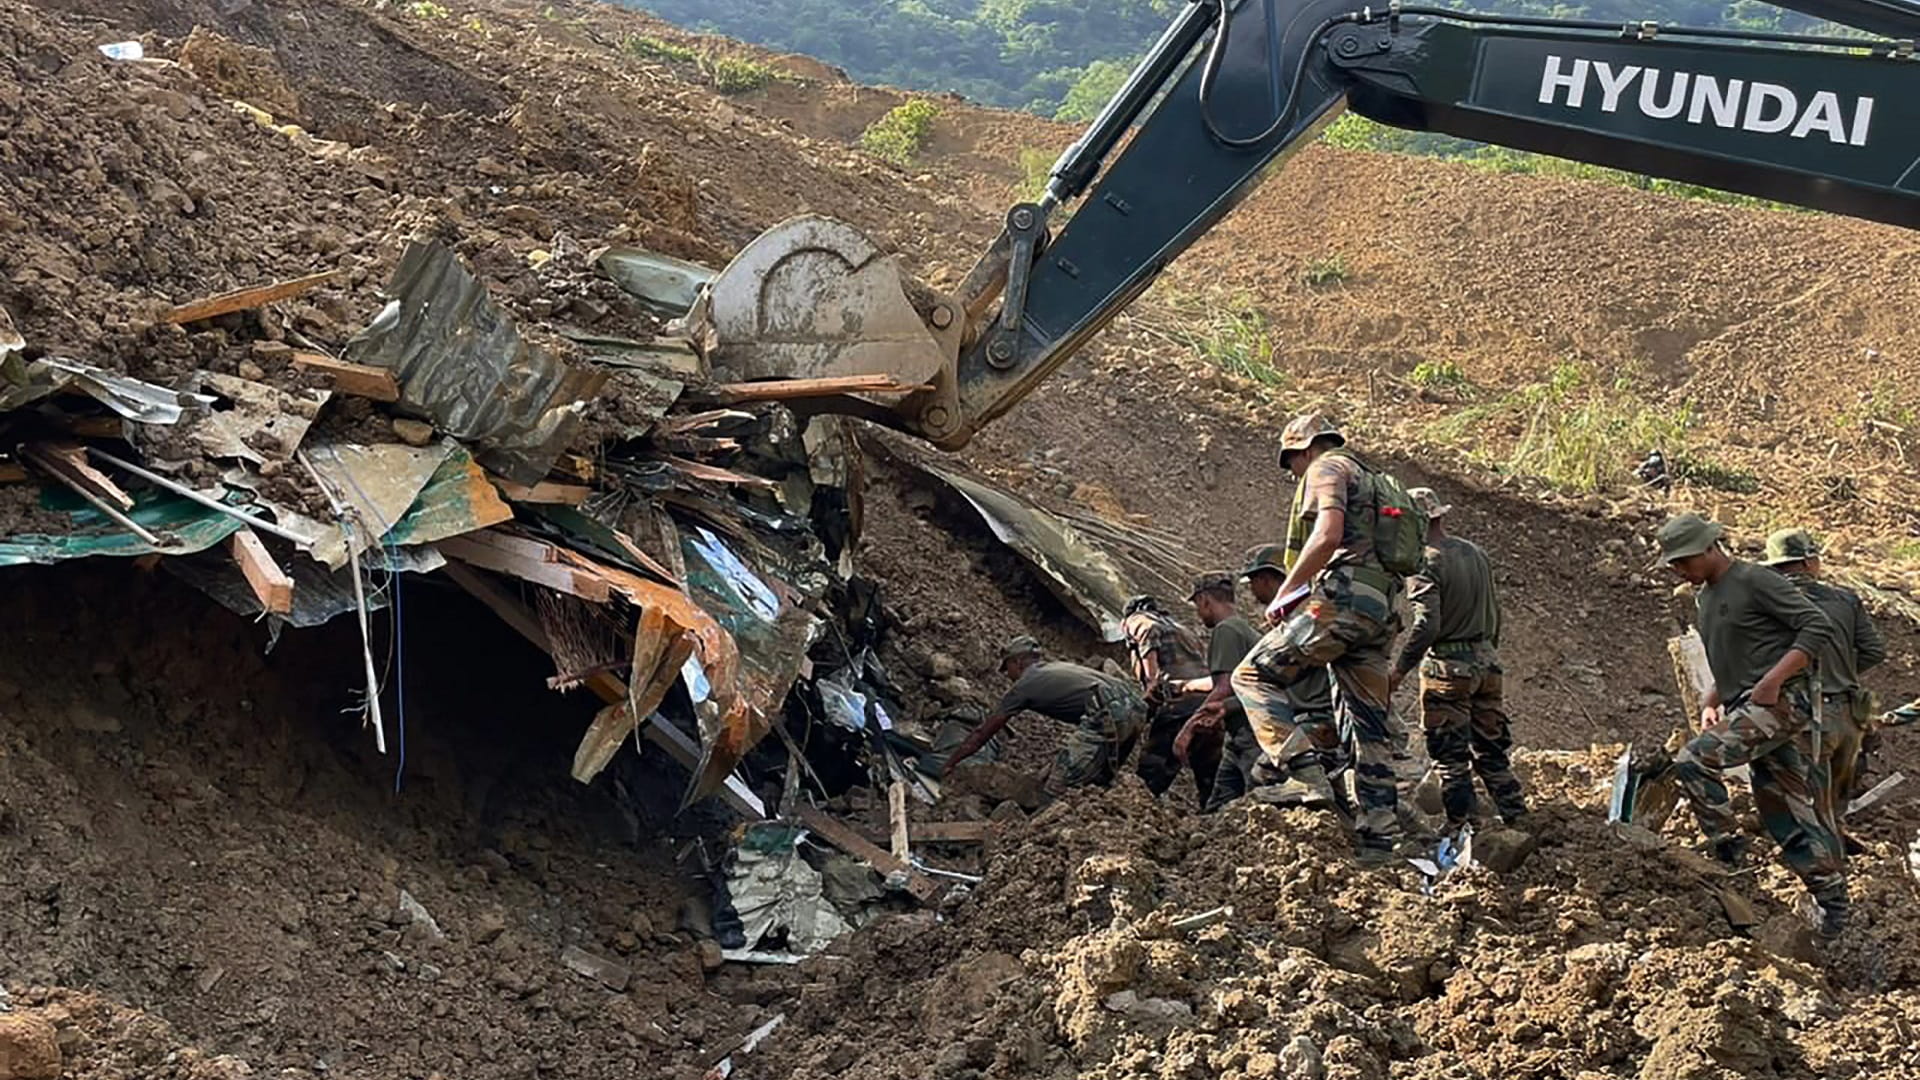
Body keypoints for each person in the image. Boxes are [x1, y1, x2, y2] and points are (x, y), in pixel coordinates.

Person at [1659, 513, 1849, 939]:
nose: (1679, 571)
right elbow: (1734, 654)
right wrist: (1715, 696)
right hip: (1749, 704)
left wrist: (1775, 679)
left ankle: (1729, 853)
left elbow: (1816, 626)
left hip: (1783, 703)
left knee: (1694, 759)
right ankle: (1834, 902)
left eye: (1684, 561)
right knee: (1786, 808)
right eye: (1673, 564)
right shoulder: (1705, 597)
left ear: (1711, 548)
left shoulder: (1754, 580)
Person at [1232, 414, 1404, 863]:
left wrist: (1287, 591)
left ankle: (1305, 774)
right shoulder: (1373, 478)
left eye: (1292, 463)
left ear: (1305, 449)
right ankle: (1380, 841)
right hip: (1380, 609)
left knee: (1251, 676)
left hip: (1340, 603)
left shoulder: (1327, 468)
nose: (1293, 474)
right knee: (1369, 727)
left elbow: (1326, 535)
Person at [1389, 488, 1527, 832]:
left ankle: (1463, 829)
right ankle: (1517, 816)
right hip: (1487, 662)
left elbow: (1427, 624)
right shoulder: (1475, 553)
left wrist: (1400, 669)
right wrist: (1486, 652)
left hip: (1449, 669)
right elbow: (1494, 612)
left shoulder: (1422, 563)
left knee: (1450, 757)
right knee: (1491, 749)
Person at [1763, 527, 1886, 852]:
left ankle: (1821, 866)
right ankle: (1837, 849)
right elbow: (1874, 651)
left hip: (1801, 713)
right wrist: (1842, 670)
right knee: (1836, 796)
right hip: (1848, 714)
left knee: (1806, 799)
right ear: (1807, 562)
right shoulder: (1845, 599)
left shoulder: (1767, 603)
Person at [942, 635, 1147, 800]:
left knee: (1058, 787)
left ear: (1018, 662)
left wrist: (951, 763)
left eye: (1008, 668)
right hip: (1135, 706)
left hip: (1107, 711)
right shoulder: (1054, 667)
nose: (1007, 675)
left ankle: (1038, 833)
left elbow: (982, 733)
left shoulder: (1024, 685)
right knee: (1099, 778)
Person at [1174, 571, 1264, 810]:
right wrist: (1187, 686)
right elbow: (1231, 680)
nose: (1198, 611)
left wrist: (1188, 729)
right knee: (1219, 806)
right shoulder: (1244, 629)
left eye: (1197, 605)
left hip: (1252, 735)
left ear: (1204, 600)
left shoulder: (1226, 630)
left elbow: (1224, 688)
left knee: (1260, 806)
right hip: (1241, 736)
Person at [1120, 596, 1218, 802]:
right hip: (1207, 702)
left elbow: (1148, 629)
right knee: (1209, 773)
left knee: (1151, 774)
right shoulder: (1183, 630)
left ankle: (1137, 816)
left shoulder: (1137, 619)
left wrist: (1151, 682)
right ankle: (1214, 820)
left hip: (1178, 702)